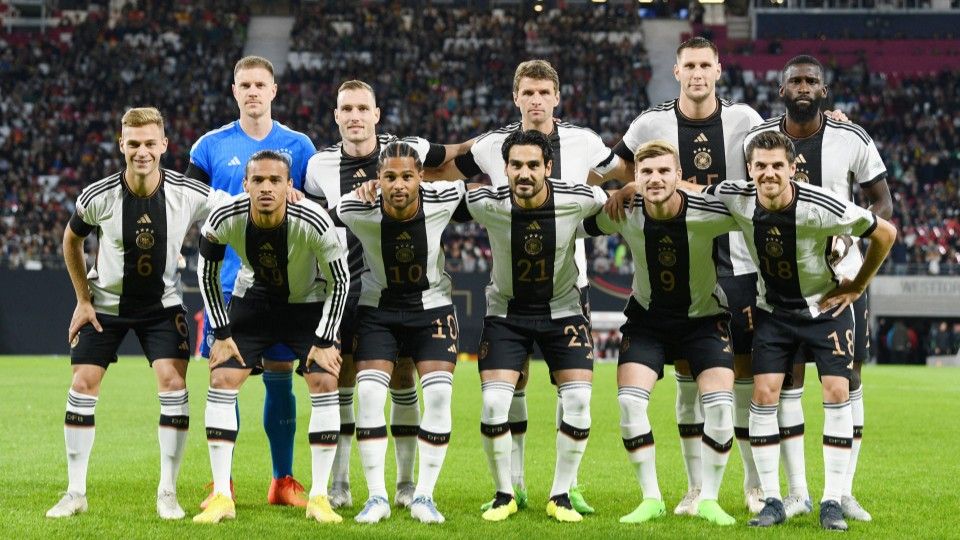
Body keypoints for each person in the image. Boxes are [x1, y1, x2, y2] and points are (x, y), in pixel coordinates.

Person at [429, 59, 630, 514]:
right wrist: (400, 175)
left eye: (544, 93)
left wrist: (634, 186)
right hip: (509, 288)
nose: (536, 100)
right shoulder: (490, 146)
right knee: (509, 389)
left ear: (557, 97)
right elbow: (444, 172)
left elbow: (611, 177)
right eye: (528, 93)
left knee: (572, 391)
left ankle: (568, 485)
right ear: (516, 97)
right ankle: (512, 486)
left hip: (567, 280)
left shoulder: (584, 141)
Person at [703, 131, 896, 531]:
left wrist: (857, 284)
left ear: (793, 169)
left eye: (777, 166)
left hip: (825, 309)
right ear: (750, 169)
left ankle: (831, 500)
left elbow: (885, 233)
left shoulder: (821, 205)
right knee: (763, 393)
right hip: (773, 311)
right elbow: (693, 189)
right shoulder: (737, 195)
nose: (769, 173)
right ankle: (774, 499)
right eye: (761, 166)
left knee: (837, 390)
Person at [608, 36, 766, 515]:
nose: (698, 73)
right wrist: (632, 182)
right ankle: (697, 488)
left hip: (737, 266)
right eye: (689, 65)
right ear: (676, 72)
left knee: (742, 382)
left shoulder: (746, 120)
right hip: (677, 267)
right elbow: (612, 173)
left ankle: (753, 485)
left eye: (705, 65)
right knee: (685, 379)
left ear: (719, 69)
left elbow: (771, 165)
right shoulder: (650, 123)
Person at [48, 107, 227, 520]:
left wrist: (285, 194)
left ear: (164, 145)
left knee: (172, 382)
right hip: (106, 306)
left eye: (150, 143)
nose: (141, 151)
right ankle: (75, 492)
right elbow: (70, 240)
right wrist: (82, 299)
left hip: (161, 307)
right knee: (82, 382)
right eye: (133, 144)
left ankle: (167, 491)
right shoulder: (98, 195)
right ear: (121, 145)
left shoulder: (188, 192)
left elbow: (235, 204)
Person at [743, 54, 892, 522]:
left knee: (847, 382)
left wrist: (858, 266)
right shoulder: (759, 140)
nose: (803, 87)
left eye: (812, 81)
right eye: (795, 81)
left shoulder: (851, 138)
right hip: (781, 285)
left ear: (823, 91)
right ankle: (795, 492)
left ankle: (842, 490)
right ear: (782, 89)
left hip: (839, 284)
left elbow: (881, 201)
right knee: (786, 383)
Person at [304, 79, 465, 509]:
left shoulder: (404, 152)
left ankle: (407, 484)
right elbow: (316, 217)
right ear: (336, 116)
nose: (355, 116)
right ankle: (339, 483)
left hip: (396, 287)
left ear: (377, 114)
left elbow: (452, 158)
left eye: (362, 108)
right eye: (346, 109)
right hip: (343, 288)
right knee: (342, 380)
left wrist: (496, 141)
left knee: (402, 377)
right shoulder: (319, 166)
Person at [582, 140, 740, 526]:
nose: (654, 179)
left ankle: (709, 498)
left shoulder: (707, 212)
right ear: (635, 176)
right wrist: (612, 194)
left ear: (678, 177)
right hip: (648, 323)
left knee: (720, 407)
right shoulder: (625, 210)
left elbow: (754, 212)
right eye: (646, 172)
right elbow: (582, 223)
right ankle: (651, 497)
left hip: (704, 320)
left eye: (663, 171)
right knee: (629, 405)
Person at [186, 55, 318, 508]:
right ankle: (223, 485)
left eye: (261, 84)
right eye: (245, 84)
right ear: (234, 89)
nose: (253, 92)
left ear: (274, 90)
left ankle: (283, 480)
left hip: (283, 285)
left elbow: (318, 214)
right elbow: (190, 203)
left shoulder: (300, 146)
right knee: (224, 374)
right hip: (225, 282)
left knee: (280, 377)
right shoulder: (209, 146)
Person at [192, 150, 350, 524]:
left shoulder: (313, 219)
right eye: (258, 180)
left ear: (289, 185)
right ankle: (220, 495)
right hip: (255, 301)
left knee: (326, 380)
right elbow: (206, 274)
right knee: (221, 377)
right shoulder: (223, 218)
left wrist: (326, 340)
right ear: (245, 185)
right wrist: (222, 332)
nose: (266, 187)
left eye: (275, 180)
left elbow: (340, 281)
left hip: (307, 303)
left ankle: (320, 497)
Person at [467, 130, 608, 523]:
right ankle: (504, 493)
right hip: (506, 314)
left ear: (548, 167)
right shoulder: (484, 201)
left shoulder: (579, 198)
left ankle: (561, 494)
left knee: (578, 401)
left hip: (563, 311)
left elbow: (613, 206)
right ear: (505, 168)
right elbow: (433, 198)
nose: (523, 173)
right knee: (495, 403)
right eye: (515, 165)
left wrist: (630, 189)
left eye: (532, 165)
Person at [331, 141, 468, 524]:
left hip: (433, 309)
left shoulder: (444, 197)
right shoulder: (354, 207)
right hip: (378, 311)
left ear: (421, 176)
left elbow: (488, 195)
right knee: (371, 393)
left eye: (407, 175)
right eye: (389, 176)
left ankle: (423, 494)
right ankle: (376, 497)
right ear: (378, 179)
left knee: (439, 394)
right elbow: (314, 220)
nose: (399, 184)